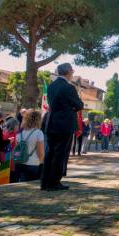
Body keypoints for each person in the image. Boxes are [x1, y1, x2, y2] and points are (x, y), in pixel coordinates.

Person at [41, 63, 83, 191]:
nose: (73, 74)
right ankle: (54, 182)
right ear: (68, 72)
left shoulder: (51, 86)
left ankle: (45, 182)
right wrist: (72, 108)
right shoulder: (69, 87)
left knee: (50, 153)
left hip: (51, 122)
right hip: (64, 124)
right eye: (72, 71)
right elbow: (79, 104)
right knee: (61, 153)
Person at [16, 110, 45, 182]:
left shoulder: (20, 132)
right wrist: (42, 163)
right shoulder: (38, 133)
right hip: (33, 164)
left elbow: (17, 150)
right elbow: (40, 153)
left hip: (20, 163)